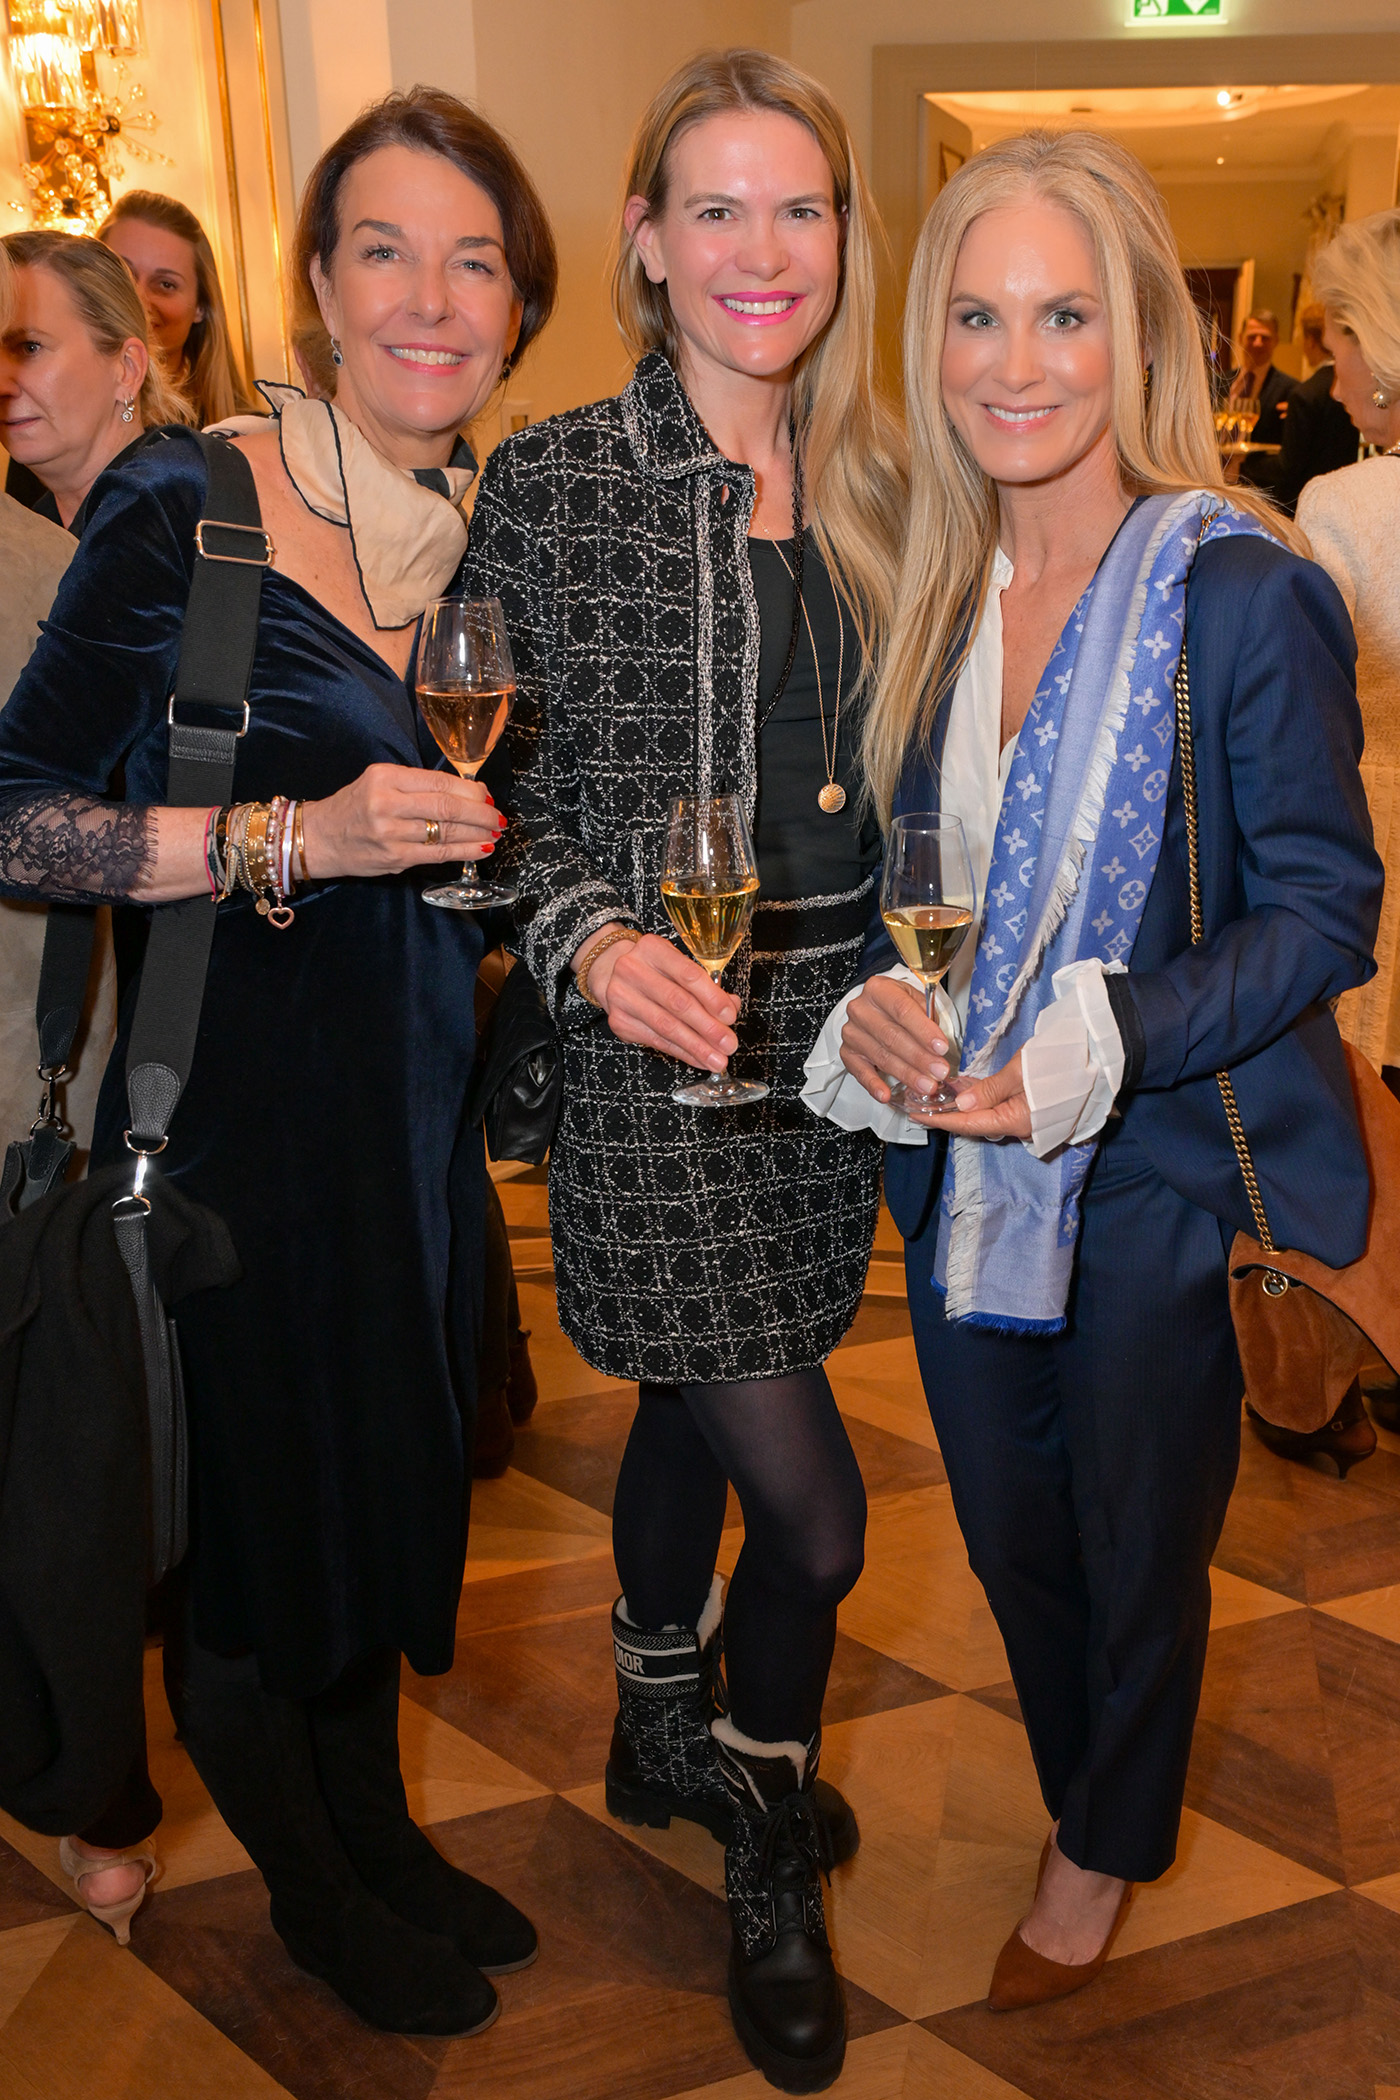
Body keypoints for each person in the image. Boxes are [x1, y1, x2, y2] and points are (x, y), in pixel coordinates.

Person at [0, 86, 556, 2036]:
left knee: (380, 1506)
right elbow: (17, 816)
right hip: (233, 1134)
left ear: (517, 304)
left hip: (410, 1133)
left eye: (473, 261)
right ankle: (316, 1897)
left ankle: (378, 1834)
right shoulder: (191, 501)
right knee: (255, 1545)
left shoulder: (479, 534)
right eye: (384, 250)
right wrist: (287, 841)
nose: (430, 297)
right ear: (316, 285)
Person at [823, 129, 1379, 2014]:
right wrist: (870, 1007)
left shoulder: (1239, 588)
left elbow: (1325, 909)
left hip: (1157, 1159)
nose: (1018, 363)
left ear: (1138, 330)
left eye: (1065, 315)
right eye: (978, 317)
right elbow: (900, 887)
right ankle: (1091, 1786)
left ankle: (1101, 1844)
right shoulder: (925, 590)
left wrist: (1111, 1031)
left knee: (1139, 1543)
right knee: (1009, 1531)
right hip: (964, 1160)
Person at [464, 47, 905, 2092]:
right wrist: (596, 941)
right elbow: (498, 797)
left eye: (798, 206)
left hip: (837, 1059)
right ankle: (758, 1814)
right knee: (812, 1526)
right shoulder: (556, 481)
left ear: (843, 237)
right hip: (657, 1066)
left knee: (691, 1404)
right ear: (644, 243)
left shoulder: (892, 481)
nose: (760, 249)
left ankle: (654, 1712)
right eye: (713, 208)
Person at [0, 231, 191, 531]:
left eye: (29, 348)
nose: (2, 385)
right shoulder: (30, 533)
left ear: (127, 369)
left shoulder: (188, 512)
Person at [99, 190, 257, 427]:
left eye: (165, 284)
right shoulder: (45, 422)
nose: (138, 300)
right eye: (122, 275)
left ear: (201, 306)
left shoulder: (248, 434)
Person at [1275, 302, 1359, 515]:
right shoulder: (1354, 386)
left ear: (1311, 341)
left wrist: (1246, 465)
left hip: (1306, 505)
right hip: (1346, 499)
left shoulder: (1304, 394)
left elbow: (1289, 468)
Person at [1228, 307, 1296, 494]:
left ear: (1276, 341)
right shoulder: (1219, 382)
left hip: (1260, 489)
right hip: (1215, 481)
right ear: (1240, 337)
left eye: (1265, 338)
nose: (1258, 343)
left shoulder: (1290, 390)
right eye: (1252, 337)